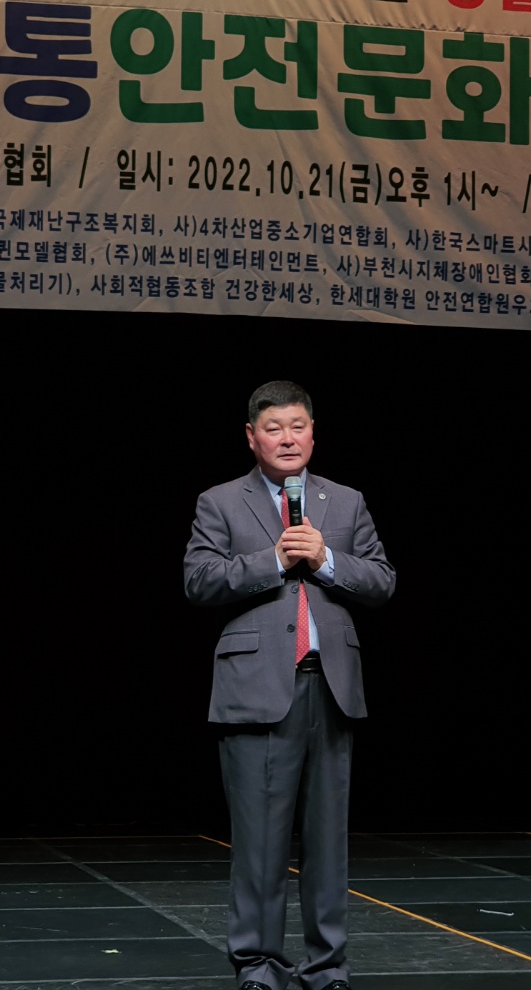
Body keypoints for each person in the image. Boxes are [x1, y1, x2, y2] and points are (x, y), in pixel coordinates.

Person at [184, 380, 396, 990]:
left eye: (297, 426)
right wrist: (274, 560)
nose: (287, 438)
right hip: (257, 690)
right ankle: (259, 965)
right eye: (273, 428)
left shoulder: (345, 502)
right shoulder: (221, 501)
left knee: (328, 843)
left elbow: (381, 580)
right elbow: (199, 580)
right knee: (260, 843)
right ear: (252, 437)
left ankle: (327, 967)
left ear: (313, 433)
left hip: (330, 688)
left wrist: (326, 558)